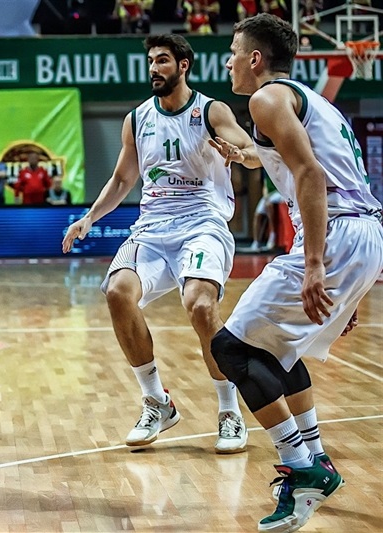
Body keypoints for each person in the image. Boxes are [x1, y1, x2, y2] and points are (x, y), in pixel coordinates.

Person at [210, 14, 383, 532]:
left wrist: (314, 265)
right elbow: (289, 160)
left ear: (255, 58)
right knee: (273, 351)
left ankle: (303, 468)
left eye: (234, 53)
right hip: (363, 235)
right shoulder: (311, 99)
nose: (229, 62)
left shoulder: (265, 99)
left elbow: (310, 171)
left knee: (231, 349)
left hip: (335, 235)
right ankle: (316, 458)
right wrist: (243, 155)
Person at [62, 34, 261, 454]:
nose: (154, 68)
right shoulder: (137, 119)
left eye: (163, 60)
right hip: (152, 229)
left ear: (184, 65)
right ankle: (157, 401)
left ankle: (229, 410)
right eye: (151, 61)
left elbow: (252, 149)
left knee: (200, 307)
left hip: (202, 224)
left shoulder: (211, 111)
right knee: (118, 292)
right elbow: (122, 179)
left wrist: (239, 154)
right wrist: (89, 217)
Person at [241, 170, 285, 252]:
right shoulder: (264, 170)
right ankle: (256, 242)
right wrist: (266, 196)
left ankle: (272, 236)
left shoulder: (278, 167)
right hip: (269, 195)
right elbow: (265, 185)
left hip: (280, 193)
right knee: (258, 214)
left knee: (269, 206)